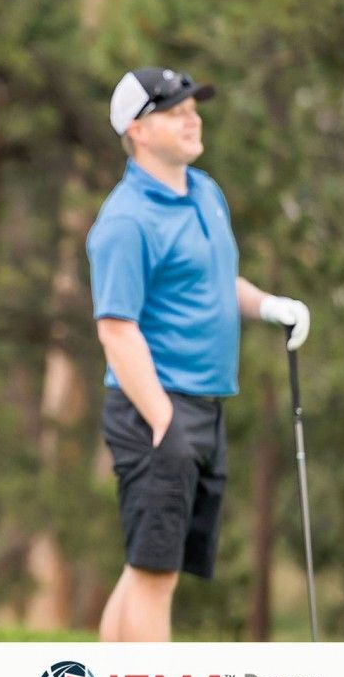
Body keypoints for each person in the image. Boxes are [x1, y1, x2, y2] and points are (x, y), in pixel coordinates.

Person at [87, 66, 311, 642]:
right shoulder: (126, 220)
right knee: (156, 576)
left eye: (193, 108)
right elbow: (116, 330)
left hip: (203, 405)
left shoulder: (205, 192)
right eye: (175, 112)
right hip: (155, 407)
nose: (193, 119)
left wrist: (269, 306)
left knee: (147, 566)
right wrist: (163, 420)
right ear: (138, 131)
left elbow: (214, 281)